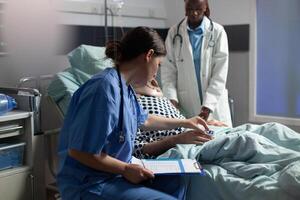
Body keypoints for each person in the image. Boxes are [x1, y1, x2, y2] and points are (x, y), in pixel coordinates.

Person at [57, 27, 212, 200]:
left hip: (114, 174)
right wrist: (125, 169)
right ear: (148, 55)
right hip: (90, 183)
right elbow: (79, 152)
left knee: (176, 182)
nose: (156, 72)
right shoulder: (103, 90)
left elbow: (144, 120)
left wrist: (185, 122)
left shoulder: (126, 88)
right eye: (158, 65)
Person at [161, 0, 232, 127]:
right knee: (192, 143)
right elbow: (168, 70)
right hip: (186, 105)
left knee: (221, 142)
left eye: (198, 9)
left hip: (214, 106)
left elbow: (220, 74)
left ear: (205, 7)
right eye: (189, 9)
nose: (193, 13)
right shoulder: (174, 33)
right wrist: (171, 98)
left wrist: (208, 106)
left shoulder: (217, 31)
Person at [133, 79, 221, 159]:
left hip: (195, 133)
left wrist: (197, 123)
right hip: (182, 146)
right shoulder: (128, 106)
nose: (154, 76)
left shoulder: (158, 97)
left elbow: (146, 120)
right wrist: (177, 139)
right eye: (157, 64)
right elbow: (138, 149)